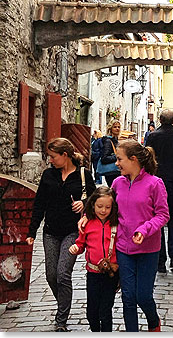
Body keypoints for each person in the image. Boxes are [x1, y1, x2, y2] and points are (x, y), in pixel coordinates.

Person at [78, 139, 169, 332]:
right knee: (128, 298)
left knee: (143, 296)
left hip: (148, 249)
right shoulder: (118, 183)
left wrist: (144, 230)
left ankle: (154, 322)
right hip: (123, 248)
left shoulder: (155, 184)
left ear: (133, 159)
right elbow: (101, 203)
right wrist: (86, 216)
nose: (116, 163)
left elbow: (163, 215)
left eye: (120, 159)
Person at [26, 137, 96, 332]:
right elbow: (39, 203)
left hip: (73, 231)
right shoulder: (49, 175)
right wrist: (32, 231)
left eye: (53, 156)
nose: (50, 160)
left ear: (65, 155)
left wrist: (84, 203)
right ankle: (64, 302)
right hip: (50, 231)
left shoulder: (83, 174)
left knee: (63, 273)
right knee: (51, 275)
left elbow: (95, 198)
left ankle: (61, 319)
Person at [145, 109, 173, 273]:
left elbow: (147, 159)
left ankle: (160, 260)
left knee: (157, 219)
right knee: (172, 219)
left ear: (160, 119)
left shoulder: (152, 137)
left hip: (155, 183)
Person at [69, 186, 119, 332]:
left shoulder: (117, 224)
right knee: (92, 311)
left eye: (107, 207)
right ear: (92, 205)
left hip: (111, 273)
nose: (103, 210)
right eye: (100, 206)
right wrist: (75, 248)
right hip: (93, 273)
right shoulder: (88, 224)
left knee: (106, 310)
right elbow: (81, 243)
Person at [100, 120, 121, 187]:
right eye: (115, 127)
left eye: (118, 127)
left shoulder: (115, 140)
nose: (117, 128)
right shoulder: (108, 141)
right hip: (112, 173)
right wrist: (117, 156)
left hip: (115, 172)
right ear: (110, 129)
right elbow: (104, 158)